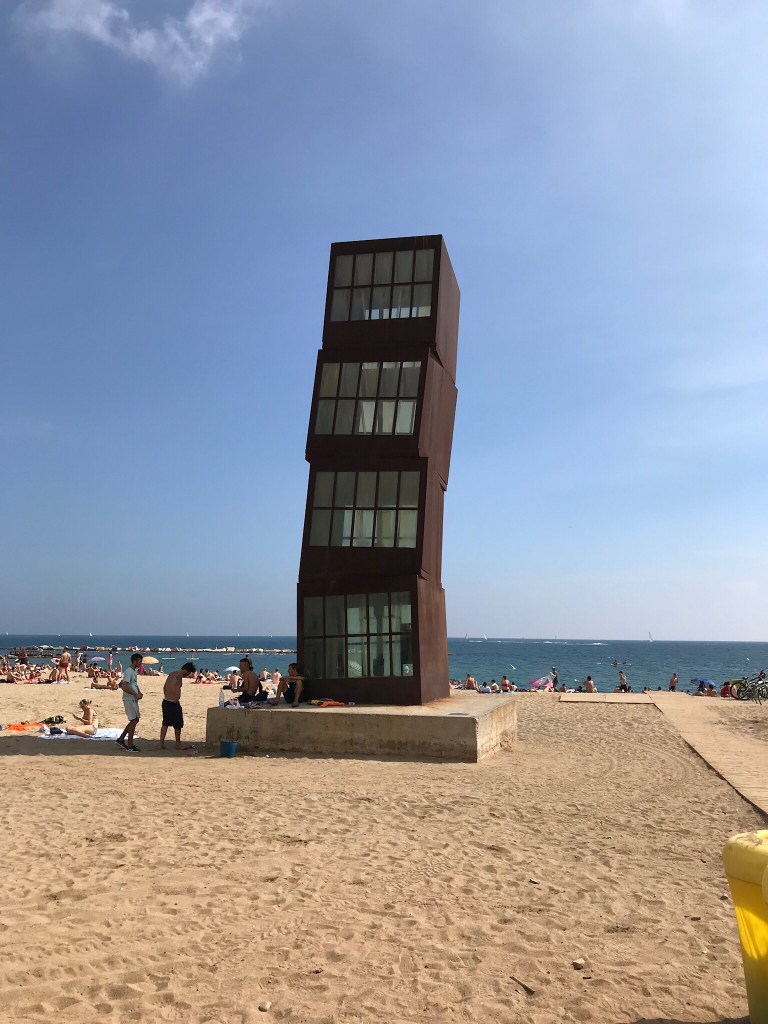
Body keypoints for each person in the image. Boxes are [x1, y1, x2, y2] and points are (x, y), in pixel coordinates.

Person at [161, 662, 196, 748]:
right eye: (189, 673)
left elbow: (165, 687)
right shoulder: (179, 676)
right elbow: (175, 688)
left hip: (166, 701)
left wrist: (167, 696)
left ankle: (161, 743)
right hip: (173, 703)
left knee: (165, 723)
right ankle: (178, 743)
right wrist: (176, 699)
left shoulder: (172, 673)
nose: (188, 675)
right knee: (178, 724)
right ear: (187, 671)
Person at [118, 653, 144, 751]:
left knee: (135, 720)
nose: (140, 663)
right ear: (135, 661)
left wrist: (139, 692)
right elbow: (124, 686)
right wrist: (135, 694)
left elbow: (134, 684)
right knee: (134, 720)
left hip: (132, 698)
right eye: (139, 661)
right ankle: (130, 745)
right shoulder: (129, 671)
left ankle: (121, 739)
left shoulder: (134, 671)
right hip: (129, 699)